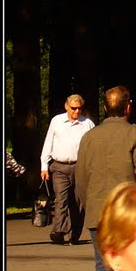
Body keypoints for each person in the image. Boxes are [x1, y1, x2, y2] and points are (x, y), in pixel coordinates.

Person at [76, 86, 136, 271]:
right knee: (130, 266)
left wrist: (87, 203)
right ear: (128, 107)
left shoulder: (89, 137)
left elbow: (80, 178)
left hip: (97, 212)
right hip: (128, 213)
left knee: (103, 267)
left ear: (104, 107)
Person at [39, 93, 95, 246]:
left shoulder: (87, 124)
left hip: (80, 167)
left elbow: (93, 147)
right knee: (61, 199)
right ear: (66, 106)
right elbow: (48, 142)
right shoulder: (56, 121)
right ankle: (58, 231)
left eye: (79, 109)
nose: (76, 112)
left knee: (77, 203)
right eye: (73, 108)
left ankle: (74, 235)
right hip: (59, 167)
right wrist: (44, 166)